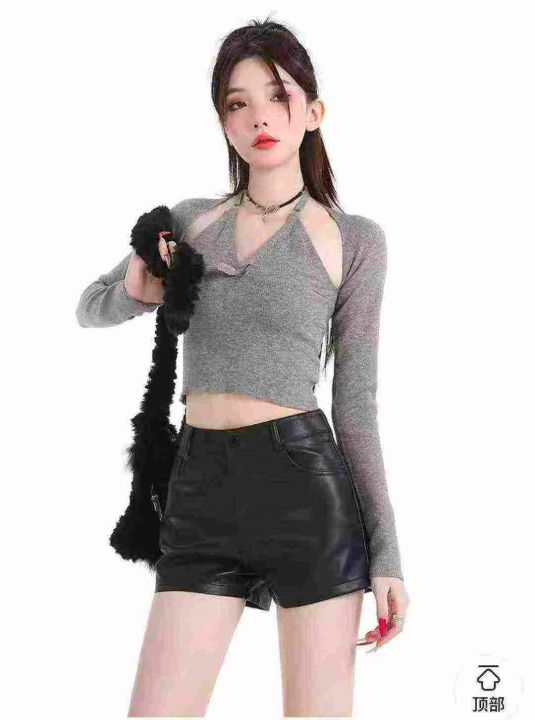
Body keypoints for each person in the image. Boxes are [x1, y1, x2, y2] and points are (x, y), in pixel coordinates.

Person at [75, 17, 410, 719]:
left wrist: (386, 557)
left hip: (305, 492)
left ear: (312, 111)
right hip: (198, 493)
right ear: (223, 123)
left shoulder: (353, 241)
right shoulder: (189, 222)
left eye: (278, 95)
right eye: (238, 102)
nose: (259, 116)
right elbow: (91, 307)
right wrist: (143, 285)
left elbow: (355, 406)